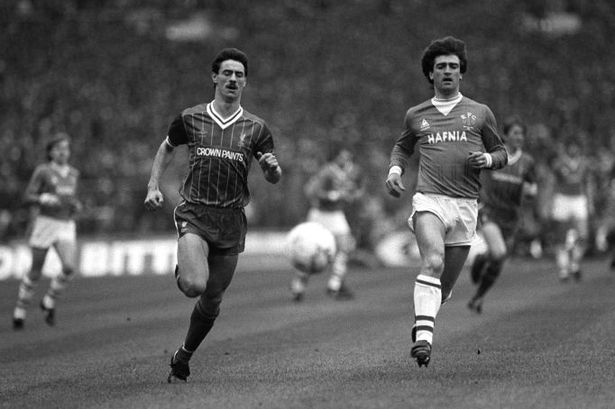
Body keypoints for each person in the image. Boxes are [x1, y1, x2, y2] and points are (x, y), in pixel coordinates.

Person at [144, 48, 281, 383]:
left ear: (245, 82)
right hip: (195, 212)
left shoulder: (257, 128)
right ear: (215, 77)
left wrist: (272, 169)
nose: (233, 79)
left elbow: (274, 176)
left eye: (239, 75)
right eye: (228, 73)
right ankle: (185, 265)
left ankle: (183, 355)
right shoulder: (191, 118)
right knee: (193, 284)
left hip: (231, 220)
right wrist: (153, 185)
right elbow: (166, 147)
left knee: (212, 300)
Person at [385, 36, 507, 367]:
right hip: (430, 199)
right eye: (441, 67)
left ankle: (423, 320)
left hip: (466, 204)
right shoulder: (416, 114)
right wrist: (395, 170)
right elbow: (402, 147)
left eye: (454, 66)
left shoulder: (480, 113)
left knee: (444, 287)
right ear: (430, 74)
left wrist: (488, 160)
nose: (448, 71)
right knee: (433, 261)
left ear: (462, 73)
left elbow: (502, 153)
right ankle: (424, 340)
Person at [12, 133, 82, 329]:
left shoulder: (74, 174)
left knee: (69, 267)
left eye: (66, 148)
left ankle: (48, 301)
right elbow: (28, 196)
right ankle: (20, 310)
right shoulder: (43, 171)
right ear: (50, 152)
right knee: (36, 271)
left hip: (65, 224)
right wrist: (42, 198)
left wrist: (76, 205)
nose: (63, 152)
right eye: (58, 149)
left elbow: (70, 199)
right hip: (45, 224)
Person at [468, 117, 537, 314]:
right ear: (505, 135)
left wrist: (531, 192)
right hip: (490, 210)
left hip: (511, 216)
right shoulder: (494, 156)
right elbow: (473, 172)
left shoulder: (527, 162)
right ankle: (483, 262)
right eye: (515, 133)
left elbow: (532, 187)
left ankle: (478, 294)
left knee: (497, 258)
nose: (519, 137)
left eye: (522, 134)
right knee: (499, 252)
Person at [290, 148, 364, 301]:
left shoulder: (351, 171)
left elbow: (357, 190)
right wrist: (335, 195)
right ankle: (299, 285)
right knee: (309, 252)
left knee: (345, 247)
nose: (346, 158)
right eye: (343, 155)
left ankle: (335, 284)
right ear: (336, 157)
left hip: (336, 214)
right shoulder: (327, 172)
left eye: (348, 155)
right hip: (320, 214)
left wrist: (353, 195)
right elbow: (313, 192)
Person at [550, 139, 590, 282]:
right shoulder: (559, 163)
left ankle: (574, 263)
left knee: (583, 235)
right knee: (560, 237)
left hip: (579, 199)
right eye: (571, 146)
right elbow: (553, 181)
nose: (573, 149)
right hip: (562, 199)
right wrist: (551, 202)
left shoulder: (584, 163)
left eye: (576, 146)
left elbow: (586, 182)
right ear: (567, 148)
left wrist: (589, 202)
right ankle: (563, 269)